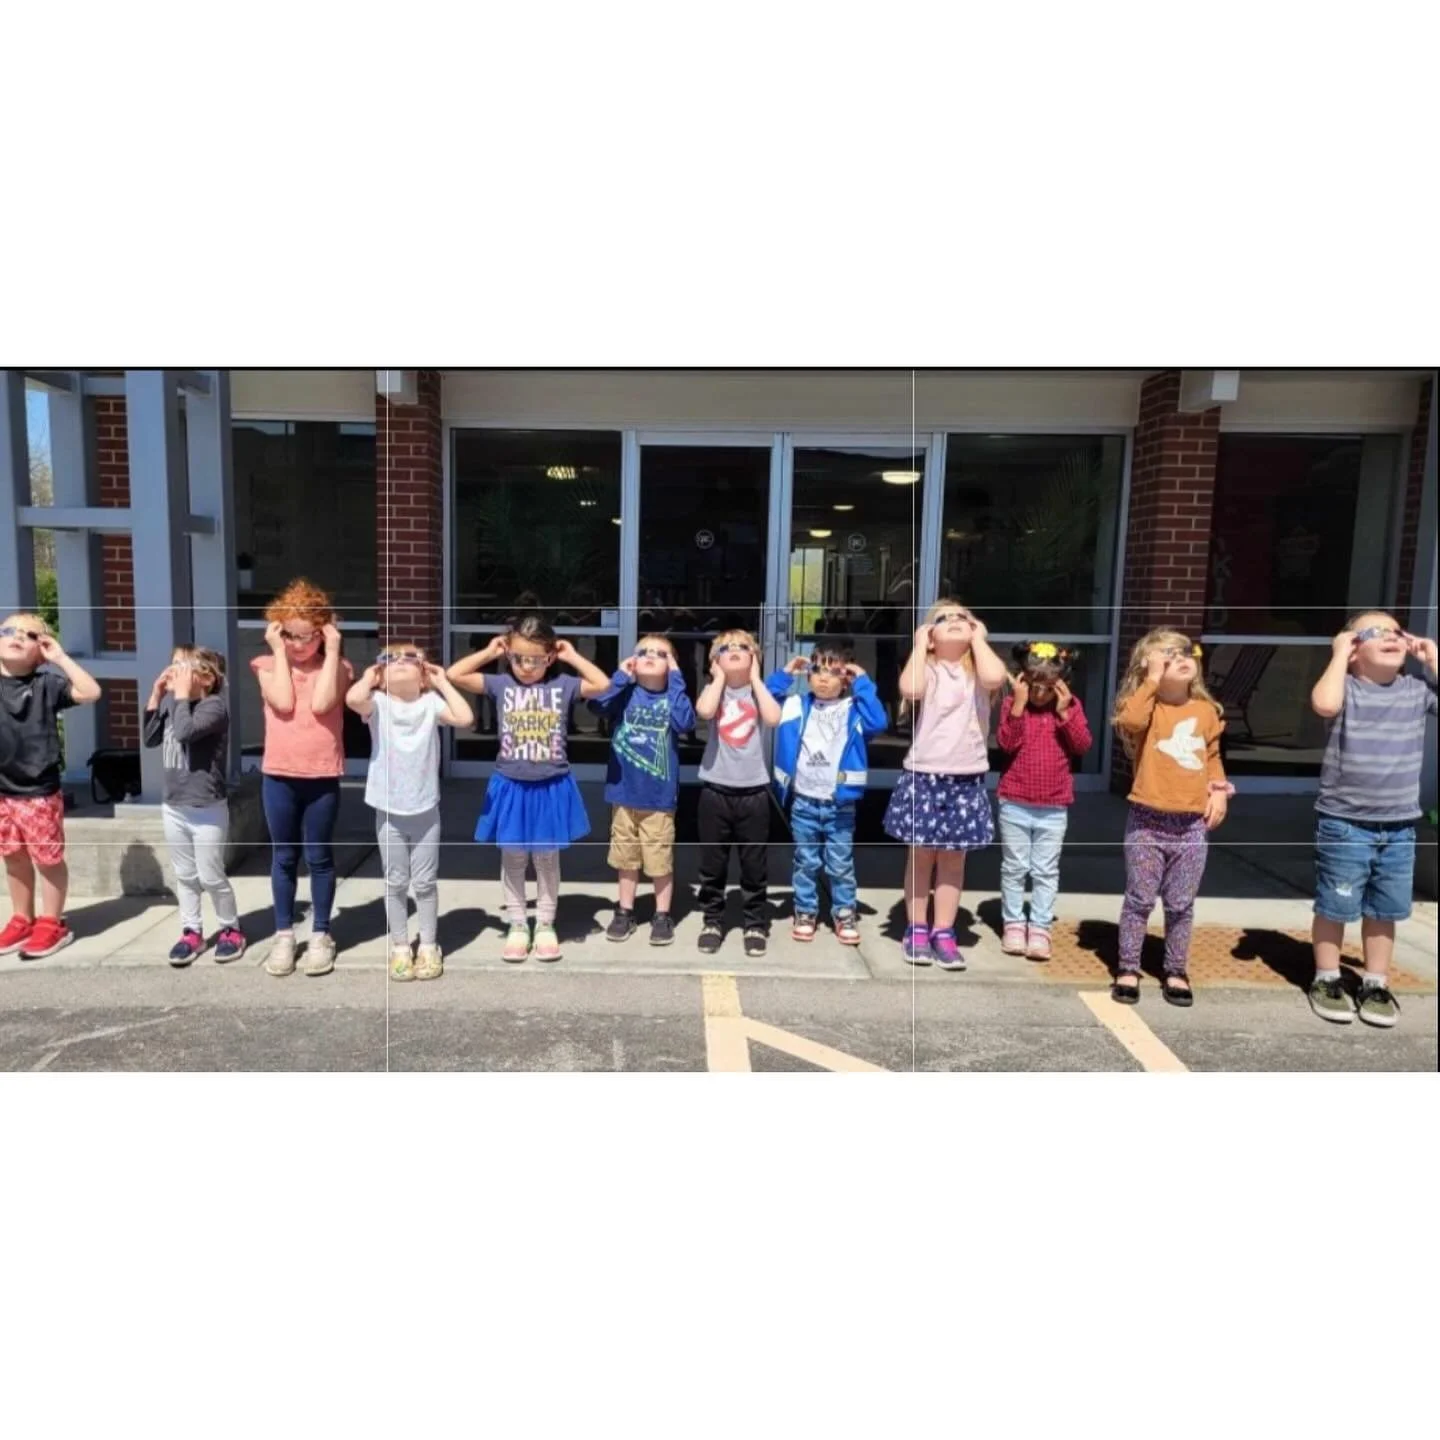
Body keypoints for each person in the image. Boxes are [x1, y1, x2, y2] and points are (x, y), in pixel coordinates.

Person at [448, 614, 611, 962]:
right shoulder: (500, 685)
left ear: (549, 658)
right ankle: (519, 923)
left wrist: (572, 656)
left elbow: (603, 684)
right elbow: (454, 675)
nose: (525, 666)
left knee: (547, 859)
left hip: (551, 786)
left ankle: (547, 923)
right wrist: (490, 651)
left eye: (535, 659)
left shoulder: (563, 685)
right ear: (509, 655)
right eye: (518, 658)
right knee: (514, 858)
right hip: (511, 785)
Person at [1307, 612, 1437, 1028]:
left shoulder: (1417, 690)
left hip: (1399, 824)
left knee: (1385, 909)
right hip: (1345, 821)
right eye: (1375, 632)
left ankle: (1375, 982)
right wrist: (1339, 653)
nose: (1391, 636)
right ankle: (1327, 977)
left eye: (1397, 632)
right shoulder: (1346, 688)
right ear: (1354, 649)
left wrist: (1433, 661)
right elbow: (1323, 704)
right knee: (1336, 903)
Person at [883, 600, 1006, 969]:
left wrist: (979, 639)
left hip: (966, 777)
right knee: (921, 857)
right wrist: (920, 646)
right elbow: (911, 688)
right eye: (943, 619)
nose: (954, 621)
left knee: (954, 859)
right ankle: (917, 928)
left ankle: (944, 930)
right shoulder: (929, 668)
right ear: (931, 635)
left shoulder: (978, 673)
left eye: (962, 618)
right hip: (925, 775)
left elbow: (996, 677)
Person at [1111, 629, 1231, 1006]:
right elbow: (1129, 722)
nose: (1181, 659)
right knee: (1139, 899)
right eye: (1169, 656)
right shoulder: (1148, 708)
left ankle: (1175, 969)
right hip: (1148, 820)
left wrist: (1218, 790)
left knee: (1181, 903)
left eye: (1186, 653)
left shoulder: (1205, 712)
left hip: (1191, 824)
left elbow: (1211, 756)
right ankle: (1128, 966)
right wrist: (1151, 680)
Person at [347, 644, 473, 982]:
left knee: (425, 882)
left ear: (423, 676)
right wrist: (367, 677)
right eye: (389, 658)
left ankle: (429, 944)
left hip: (425, 808)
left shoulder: (431, 703)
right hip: (388, 808)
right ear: (381, 676)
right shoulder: (379, 704)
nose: (400, 661)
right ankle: (401, 945)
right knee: (395, 881)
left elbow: (465, 718)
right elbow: (353, 699)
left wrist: (443, 682)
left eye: (410, 658)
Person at [250, 579, 353, 978]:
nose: (298, 643)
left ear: (323, 631)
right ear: (278, 631)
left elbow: (325, 702)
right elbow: (284, 701)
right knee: (284, 856)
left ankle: (321, 934)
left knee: (319, 857)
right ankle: (283, 935)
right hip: (278, 775)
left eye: (307, 635)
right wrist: (277, 652)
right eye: (289, 635)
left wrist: (333, 650)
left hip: (322, 774)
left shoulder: (338, 667)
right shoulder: (265, 665)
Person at [766, 645, 887, 945]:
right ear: (807, 675)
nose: (823, 678)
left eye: (834, 672)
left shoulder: (854, 709)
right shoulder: (795, 705)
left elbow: (879, 722)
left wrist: (862, 682)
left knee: (840, 863)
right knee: (805, 861)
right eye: (817, 669)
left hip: (840, 803)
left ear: (845, 679)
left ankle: (844, 910)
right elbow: (765, 699)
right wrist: (785, 673)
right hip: (804, 800)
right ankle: (806, 909)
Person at [0, 613, 102, 960]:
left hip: (37, 791)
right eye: (9, 631)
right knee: (12, 857)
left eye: (29, 635)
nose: (17, 637)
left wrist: (59, 658)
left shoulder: (46, 685)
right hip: (2, 791)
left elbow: (91, 691)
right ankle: (21, 918)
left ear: (40, 650)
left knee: (47, 858)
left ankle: (52, 921)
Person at [587, 633, 696, 945]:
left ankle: (662, 914)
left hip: (659, 798)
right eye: (643, 651)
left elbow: (685, 722)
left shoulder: (673, 697)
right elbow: (598, 704)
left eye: (661, 654)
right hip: (624, 794)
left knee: (659, 859)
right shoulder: (625, 694)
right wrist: (621, 676)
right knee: (625, 858)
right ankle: (625, 910)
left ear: (671, 664)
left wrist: (676, 677)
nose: (650, 655)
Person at [142, 646, 245, 965]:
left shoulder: (214, 707)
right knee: (185, 874)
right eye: (171, 665)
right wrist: (156, 696)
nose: (173, 672)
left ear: (206, 678)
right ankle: (192, 931)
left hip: (206, 808)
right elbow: (150, 739)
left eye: (181, 667)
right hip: (174, 805)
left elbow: (186, 733)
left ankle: (231, 929)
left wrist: (182, 697)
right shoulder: (175, 702)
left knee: (211, 875)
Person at [995, 642, 1093, 960]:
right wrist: (1019, 707)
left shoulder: (1070, 707)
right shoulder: (1014, 703)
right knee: (1014, 867)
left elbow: (1081, 745)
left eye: (1047, 687)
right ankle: (1013, 924)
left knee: (1045, 870)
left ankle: (1039, 928)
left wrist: (1065, 712)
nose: (1039, 693)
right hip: (1015, 801)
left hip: (1053, 805)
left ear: (1061, 684)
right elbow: (1007, 744)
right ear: (1023, 680)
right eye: (1033, 685)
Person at [694, 629, 783, 957]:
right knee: (712, 863)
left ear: (754, 657)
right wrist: (716, 678)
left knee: (753, 863)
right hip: (715, 789)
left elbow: (773, 718)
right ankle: (713, 919)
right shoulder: (713, 692)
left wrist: (757, 679)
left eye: (742, 647)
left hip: (753, 792)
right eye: (724, 648)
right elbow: (704, 712)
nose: (733, 650)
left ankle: (755, 922)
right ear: (714, 660)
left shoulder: (758, 694)